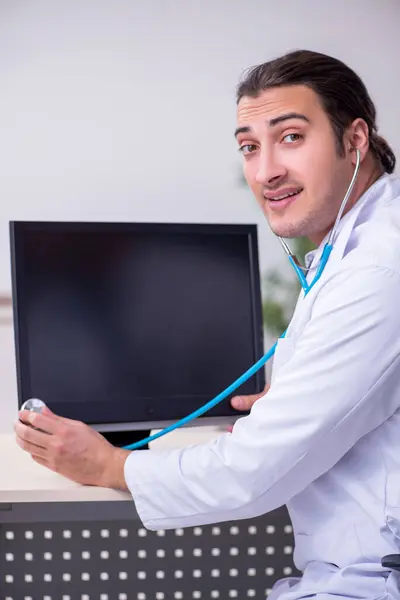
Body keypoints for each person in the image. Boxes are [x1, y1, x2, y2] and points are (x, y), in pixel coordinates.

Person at [14, 49, 400, 599]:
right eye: (249, 147)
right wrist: (292, 401)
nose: (266, 171)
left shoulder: (379, 269)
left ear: (354, 140)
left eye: (291, 136)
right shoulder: (356, 252)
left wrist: (109, 465)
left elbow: (254, 471)